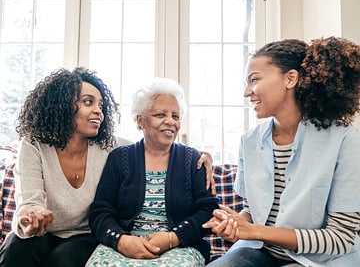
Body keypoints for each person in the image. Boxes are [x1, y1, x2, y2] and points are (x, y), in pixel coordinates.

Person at [0, 67, 214, 267]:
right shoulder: (34, 144)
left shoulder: (108, 146)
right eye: (88, 102)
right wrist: (30, 218)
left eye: (100, 105)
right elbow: (29, 202)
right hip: (41, 233)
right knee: (16, 249)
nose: (98, 112)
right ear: (62, 105)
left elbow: (153, 146)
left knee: (64, 259)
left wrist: (202, 156)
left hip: (82, 236)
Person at [203, 36, 360, 266]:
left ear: (291, 78)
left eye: (254, 80)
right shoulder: (249, 141)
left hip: (320, 260)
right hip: (260, 252)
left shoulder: (344, 139)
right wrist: (236, 224)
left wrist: (255, 231)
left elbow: (339, 238)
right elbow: (252, 212)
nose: (247, 92)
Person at [85, 77, 219, 267]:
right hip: (126, 244)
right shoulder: (120, 158)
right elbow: (101, 211)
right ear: (140, 121)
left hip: (179, 246)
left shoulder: (192, 159)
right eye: (160, 115)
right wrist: (121, 240)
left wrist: (173, 237)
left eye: (175, 116)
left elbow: (207, 210)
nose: (170, 122)